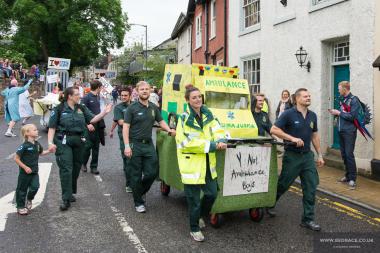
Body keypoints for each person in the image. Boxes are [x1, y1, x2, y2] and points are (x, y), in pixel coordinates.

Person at [176, 85, 227, 242]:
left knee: (212, 193)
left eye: (199, 96)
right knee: (194, 201)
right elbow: (184, 142)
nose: (198, 99)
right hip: (192, 165)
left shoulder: (208, 115)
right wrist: (212, 145)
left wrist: (221, 139)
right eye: (194, 97)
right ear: (187, 100)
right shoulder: (183, 118)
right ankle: (194, 228)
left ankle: (198, 216)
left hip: (207, 164)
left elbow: (218, 129)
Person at [47, 86, 112, 211]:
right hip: (63, 141)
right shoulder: (59, 109)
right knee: (66, 168)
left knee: (76, 168)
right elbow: (52, 127)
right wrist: (50, 143)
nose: (79, 96)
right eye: (77, 94)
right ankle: (65, 198)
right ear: (70, 96)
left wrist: (105, 112)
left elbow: (92, 119)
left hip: (79, 141)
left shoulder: (81, 108)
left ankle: (70, 192)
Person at [270, 88, 325, 231]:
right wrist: (292, 138)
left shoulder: (312, 116)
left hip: (307, 157)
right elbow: (274, 130)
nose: (308, 98)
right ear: (297, 99)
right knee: (283, 185)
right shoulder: (288, 114)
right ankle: (268, 204)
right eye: (305, 96)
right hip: (292, 156)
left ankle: (308, 219)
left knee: (311, 187)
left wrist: (319, 155)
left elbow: (314, 136)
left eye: (309, 96)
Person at [123, 81, 175, 213]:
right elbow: (126, 127)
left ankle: (140, 191)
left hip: (148, 144)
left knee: (152, 172)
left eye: (147, 89)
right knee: (135, 174)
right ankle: (138, 202)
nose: (145, 91)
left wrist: (169, 130)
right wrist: (127, 146)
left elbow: (161, 121)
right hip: (135, 144)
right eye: (142, 89)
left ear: (150, 91)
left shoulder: (153, 107)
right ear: (137, 91)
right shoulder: (132, 108)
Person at [328, 81, 360, 190]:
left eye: (339, 88)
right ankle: (347, 175)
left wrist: (339, 113)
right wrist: (335, 115)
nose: (338, 90)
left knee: (349, 154)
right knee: (344, 154)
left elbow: (353, 117)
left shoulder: (354, 100)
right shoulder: (343, 100)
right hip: (341, 131)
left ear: (345, 89)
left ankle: (353, 179)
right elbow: (342, 115)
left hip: (349, 132)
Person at [14, 124, 51, 215]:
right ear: (27, 133)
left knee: (35, 187)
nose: (37, 131)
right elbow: (16, 158)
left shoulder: (37, 144)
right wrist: (25, 167)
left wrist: (50, 151)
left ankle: (29, 199)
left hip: (34, 172)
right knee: (22, 190)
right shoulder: (24, 146)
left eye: (36, 129)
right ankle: (20, 207)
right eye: (34, 130)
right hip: (24, 173)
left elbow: (41, 153)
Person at [110, 88, 132, 192]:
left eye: (125, 95)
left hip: (135, 135)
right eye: (122, 95)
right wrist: (111, 130)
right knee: (127, 158)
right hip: (123, 135)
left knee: (134, 159)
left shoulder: (135, 106)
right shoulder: (118, 107)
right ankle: (129, 184)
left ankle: (132, 178)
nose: (123, 97)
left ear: (130, 96)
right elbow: (119, 121)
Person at [81, 80, 104, 174]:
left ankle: (94, 167)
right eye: (101, 87)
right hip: (89, 126)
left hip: (98, 126)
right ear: (98, 87)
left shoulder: (99, 97)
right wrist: (87, 124)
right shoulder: (86, 98)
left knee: (96, 148)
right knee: (87, 147)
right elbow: (81, 112)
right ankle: (83, 163)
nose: (101, 89)